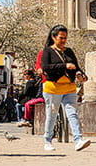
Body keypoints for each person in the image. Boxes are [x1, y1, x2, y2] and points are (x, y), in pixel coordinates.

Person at [39, 24, 92, 152]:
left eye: (65, 38)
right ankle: (47, 140)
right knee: (52, 115)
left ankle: (78, 140)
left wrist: (80, 74)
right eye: (61, 38)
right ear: (53, 37)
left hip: (69, 87)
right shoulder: (47, 51)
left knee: (72, 113)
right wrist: (64, 66)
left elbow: (76, 67)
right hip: (53, 88)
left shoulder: (69, 51)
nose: (63, 40)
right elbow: (46, 67)